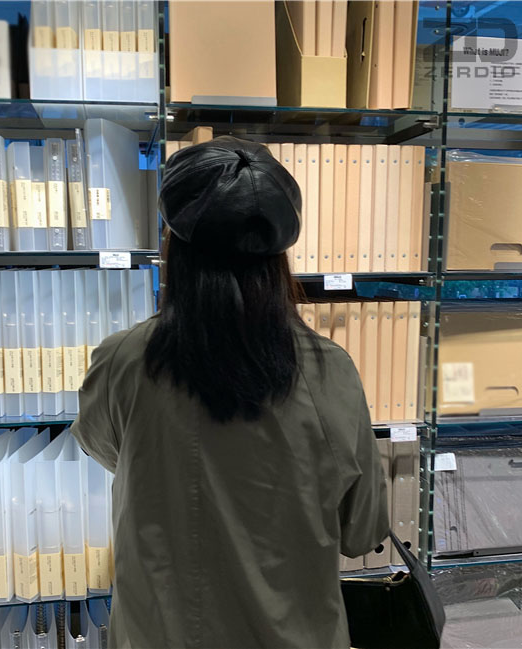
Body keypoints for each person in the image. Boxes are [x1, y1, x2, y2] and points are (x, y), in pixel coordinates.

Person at [71, 136, 389, 649]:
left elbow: (106, 449)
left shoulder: (121, 361)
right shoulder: (331, 372)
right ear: (279, 256)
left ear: (174, 248)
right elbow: (363, 530)